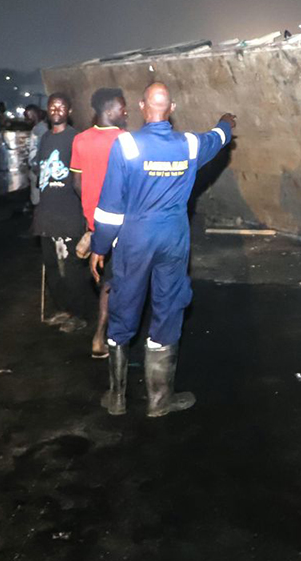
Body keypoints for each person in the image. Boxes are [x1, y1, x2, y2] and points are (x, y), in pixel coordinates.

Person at [90, 82, 235, 417]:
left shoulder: (126, 145)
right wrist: (226, 123)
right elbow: (217, 138)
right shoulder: (189, 145)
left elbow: (110, 206)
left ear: (142, 107)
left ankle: (117, 398)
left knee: (124, 304)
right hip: (173, 238)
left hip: (135, 238)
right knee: (168, 307)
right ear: (172, 109)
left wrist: (100, 246)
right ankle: (159, 401)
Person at [70, 88, 128, 358]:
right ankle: (111, 337)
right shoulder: (125, 140)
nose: (126, 112)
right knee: (122, 281)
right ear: (110, 110)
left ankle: (100, 337)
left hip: (95, 224)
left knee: (106, 280)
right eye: (122, 108)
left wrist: (91, 213)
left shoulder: (80, 140)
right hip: (124, 225)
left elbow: (77, 183)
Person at [31, 93, 92, 326]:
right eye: (52, 106)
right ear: (47, 110)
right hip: (47, 214)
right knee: (52, 267)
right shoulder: (45, 138)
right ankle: (64, 309)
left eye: (61, 106)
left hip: (69, 214)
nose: (56, 110)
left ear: (69, 111)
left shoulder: (76, 139)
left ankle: (79, 315)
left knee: (72, 269)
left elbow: (84, 179)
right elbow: (40, 172)